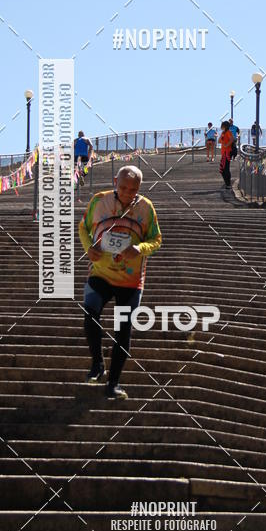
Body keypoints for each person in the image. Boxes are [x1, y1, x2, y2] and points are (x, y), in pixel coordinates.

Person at [79, 165, 162, 399]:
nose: (127, 193)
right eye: (123, 187)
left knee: (123, 330)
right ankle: (97, 363)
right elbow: (83, 227)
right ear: (115, 181)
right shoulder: (99, 200)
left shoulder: (146, 208)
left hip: (130, 280)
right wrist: (89, 248)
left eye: (133, 189)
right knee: (90, 315)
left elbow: (156, 239)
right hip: (101, 272)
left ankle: (113, 383)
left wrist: (140, 248)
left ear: (139, 188)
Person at [218, 120, 234, 189]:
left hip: (227, 153)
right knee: (223, 169)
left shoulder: (228, 132)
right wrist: (223, 142)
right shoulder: (223, 133)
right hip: (224, 153)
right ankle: (227, 183)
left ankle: (228, 183)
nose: (221, 127)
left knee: (225, 169)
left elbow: (232, 139)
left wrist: (226, 145)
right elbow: (219, 141)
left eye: (222, 126)